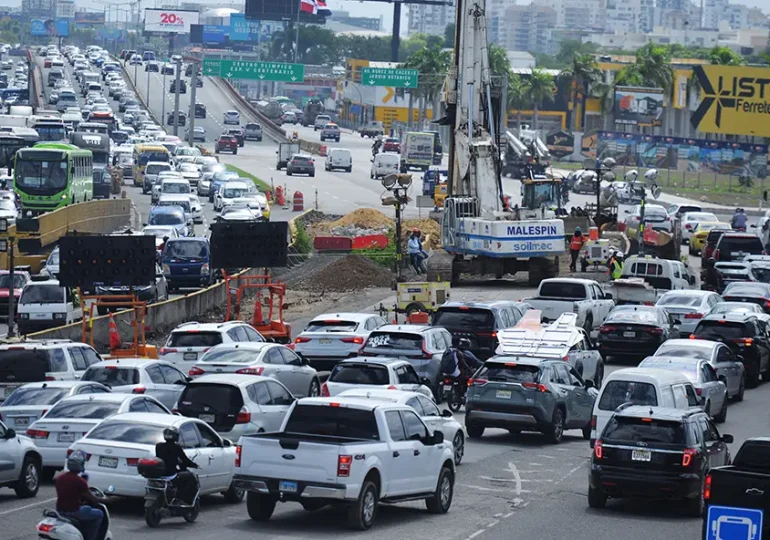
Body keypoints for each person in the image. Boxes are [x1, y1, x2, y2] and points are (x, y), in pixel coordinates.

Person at [55, 450, 106, 540]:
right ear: (80, 464)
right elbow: (94, 500)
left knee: (87, 509)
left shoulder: (60, 478)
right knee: (100, 514)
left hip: (60, 511)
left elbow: (69, 492)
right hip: (74, 512)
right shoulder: (80, 481)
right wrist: (109, 500)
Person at [155, 426, 199, 506]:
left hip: (161, 474)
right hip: (171, 474)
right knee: (190, 477)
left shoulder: (158, 446)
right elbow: (185, 461)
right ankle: (182, 499)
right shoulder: (177, 447)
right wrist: (194, 465)